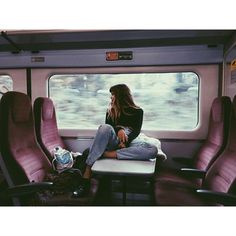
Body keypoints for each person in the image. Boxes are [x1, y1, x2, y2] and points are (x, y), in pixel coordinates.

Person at [82, 84, 158, 180]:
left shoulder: (138, 111)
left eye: (113, 94)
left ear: (120, 95)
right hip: (113, 141)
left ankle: (104, 154)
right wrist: (119, 129)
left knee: (152, 149)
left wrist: (125, 142)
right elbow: (109, 129)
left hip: (128, 142)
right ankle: (88, 168)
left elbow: (136, 131)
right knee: (104, 127)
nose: (111, 97)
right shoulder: (110, 111)